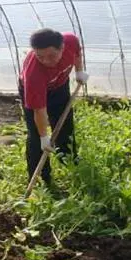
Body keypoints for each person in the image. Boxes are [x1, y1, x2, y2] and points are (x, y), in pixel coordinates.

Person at [17, 28, 88, 189]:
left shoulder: (70, 41)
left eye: (51, 56)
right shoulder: (34, 74)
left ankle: (69, 160)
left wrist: (79, 71)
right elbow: (39, 111)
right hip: (35, 89)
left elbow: (77, 53)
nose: (46, 61)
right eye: (40, 56)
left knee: (65, 125)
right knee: (35, 136)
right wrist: (44, 138)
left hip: (59, 85)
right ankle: (42, 178)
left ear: (62, 48)